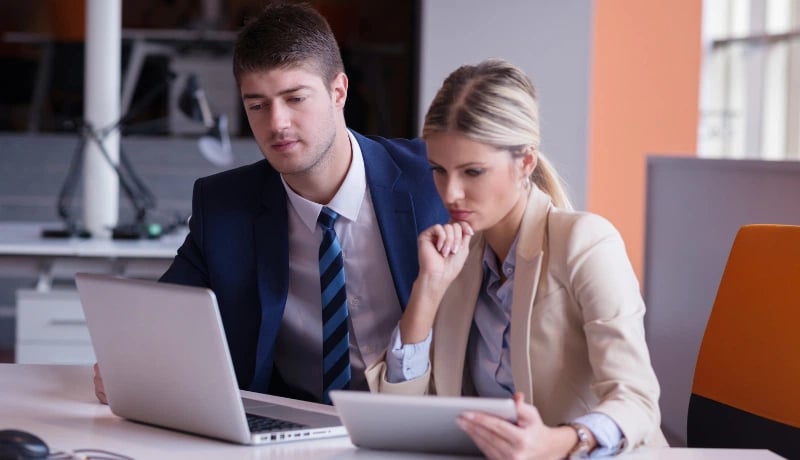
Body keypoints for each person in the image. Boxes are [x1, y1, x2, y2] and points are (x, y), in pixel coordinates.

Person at [93, 2, 447, 405]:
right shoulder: (225, 206)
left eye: (295, 99)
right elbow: (166, 319)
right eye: (257, 105)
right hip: (295, 426)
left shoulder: (431, 178)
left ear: (338, 92)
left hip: (422, 418)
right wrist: (132, 362)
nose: (276, 123)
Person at [366, 59, 667, 459]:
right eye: (439, 170)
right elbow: (402, 415)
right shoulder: (460, 261)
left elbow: (637, 398)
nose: (451, 193)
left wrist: (559, 443)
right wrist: (428, 289)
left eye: (472, 172)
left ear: (525, 161)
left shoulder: (585, 242)